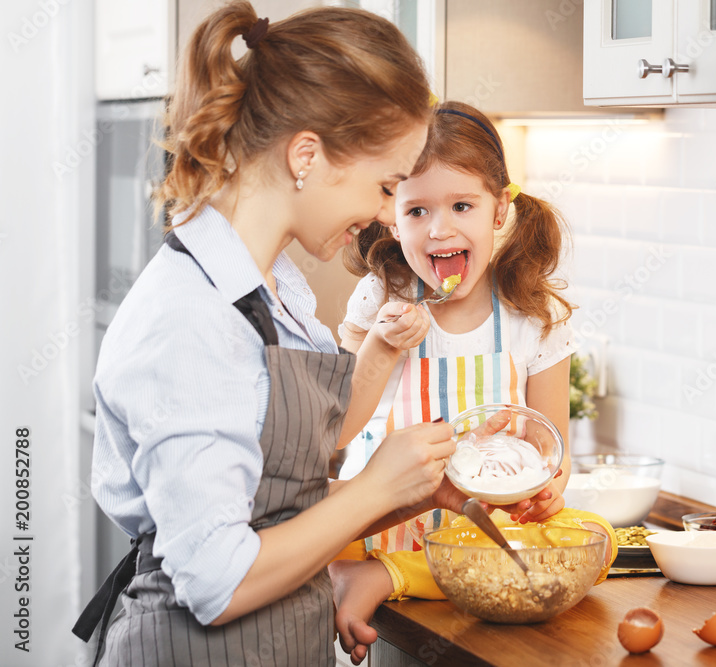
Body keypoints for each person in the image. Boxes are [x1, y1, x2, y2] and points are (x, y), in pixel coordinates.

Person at [72, 4, 465, 665]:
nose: (385, 218)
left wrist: (403, 495)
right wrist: (374, 487)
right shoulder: (191, 321)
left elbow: (274, 511)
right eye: (385, 186)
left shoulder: (270, 290)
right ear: (306, 155)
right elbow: (217, 579)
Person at [329, 101, 617, 663]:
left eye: (462, 205)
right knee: (319, 523)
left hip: (483, 534)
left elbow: (551, 447)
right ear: (391, 214)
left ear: (499, 209)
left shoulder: (534, 314)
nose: (440, 229)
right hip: (384, 524)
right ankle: (369, 571)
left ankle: (390, 577)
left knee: (598, 538)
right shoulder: (380, 295)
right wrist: (381, 348)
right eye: (416, 211)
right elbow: (335, 430)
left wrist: (548, 487)